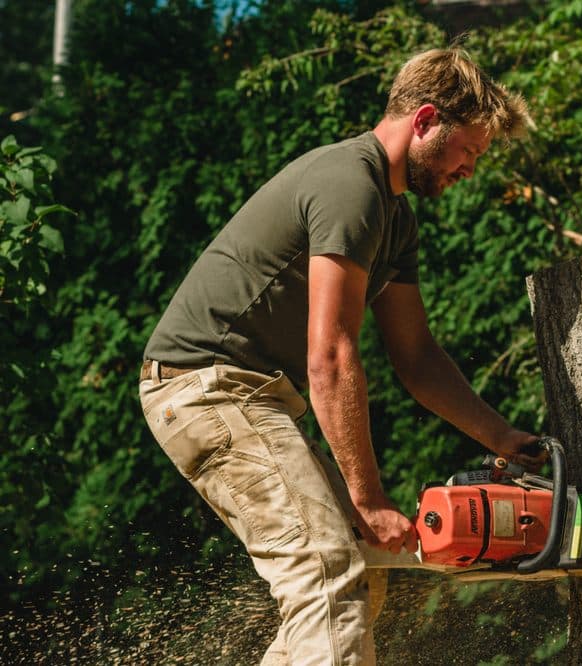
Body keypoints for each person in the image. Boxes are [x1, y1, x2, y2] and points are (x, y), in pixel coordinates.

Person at [138, 49, 541, 665]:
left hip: (249, 395)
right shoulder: (350, 183)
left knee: (356, 575)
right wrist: (370, 500)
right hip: (207, 389)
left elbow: (418, 357)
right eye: (469, 151)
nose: (470, 170)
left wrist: (503, 437)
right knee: (328, 575)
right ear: (426, 119)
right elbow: (329, 353)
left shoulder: (395, 220)